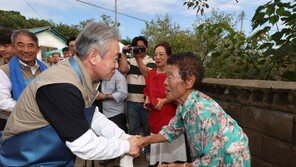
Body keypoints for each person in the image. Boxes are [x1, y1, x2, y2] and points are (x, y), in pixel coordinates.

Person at [0, 22, 141, 166]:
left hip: (47, 153)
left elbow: (90, 114)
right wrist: (126, 146)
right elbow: (83, 145)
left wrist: (121, 136)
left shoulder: (78, 74)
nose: (117, 65)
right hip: (26, 157)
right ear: (94, 56)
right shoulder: (62, 86)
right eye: (115, 58)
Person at [138, 52, 250, 167]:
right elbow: (171, 131)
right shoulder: (184, 104)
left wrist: (179, 166)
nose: (165, 82)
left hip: (230, 161)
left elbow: (213, 162)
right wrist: (143, 141)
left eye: (170, 76)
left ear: (189, 81)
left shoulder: (204, 111)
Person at [143, 42, 187, 166]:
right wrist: (146, 100)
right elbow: (147, 90)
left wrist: (164, 101)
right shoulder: (151, 74)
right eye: (155, 54)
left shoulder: (174, 74)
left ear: (168, 56)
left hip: (170, 117)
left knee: (173, 157)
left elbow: (180, 92)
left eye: (161, 54)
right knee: (158, 158)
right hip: (154, 117)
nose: (158, 57)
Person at [119, 36, 156, 159]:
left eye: (142, 46)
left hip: (146, 102)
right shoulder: (130, 60)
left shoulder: (152, 61)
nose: (140, 49)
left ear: (146, 46)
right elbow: (124, 69)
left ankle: (149, 152)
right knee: (133, 130)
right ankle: (134, 152)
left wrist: (137, 58)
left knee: (147, 130)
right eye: (137, 47)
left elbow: (147, 74)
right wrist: (124, 53)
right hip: (131, 102)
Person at [0, 29, 47, 112]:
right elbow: (3, 101)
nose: (26, 50)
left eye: (30, 45)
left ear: (38, 49)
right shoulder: (4, 71)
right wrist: (33, 110)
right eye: (20, 45)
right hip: (20, 120)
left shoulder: (47, 70)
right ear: (14, 47)